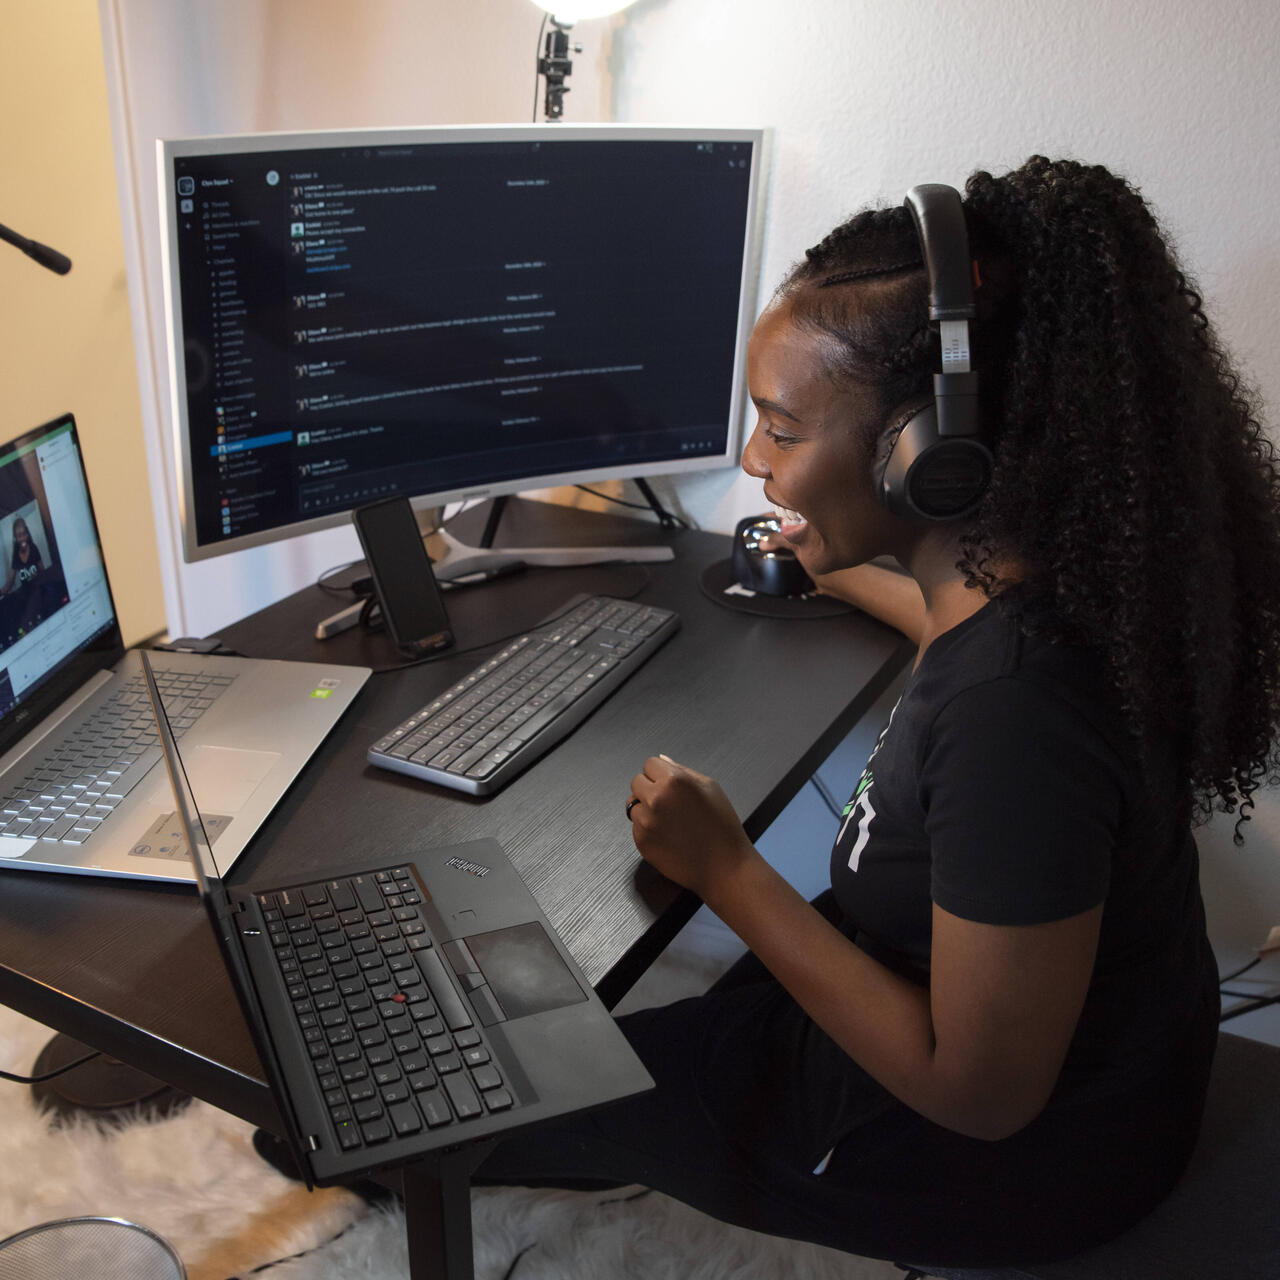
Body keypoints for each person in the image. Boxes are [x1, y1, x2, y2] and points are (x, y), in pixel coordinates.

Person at [475, 155, 1280, 1268]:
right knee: (653, 1044)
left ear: (926, 455)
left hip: (1005, 1166)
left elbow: (980, 1092)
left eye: (781, 428)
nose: (752, 457)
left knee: (483, 1107)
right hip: (1108, 1079)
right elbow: (953, 629)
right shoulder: (1042, 598)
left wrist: (727, 870)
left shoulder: (1014, 719)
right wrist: (837, 568)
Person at [0, 516, 43, 596]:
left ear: (27, 534)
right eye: (19, 535)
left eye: (24, 534)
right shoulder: (16, 555)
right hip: (27, 595)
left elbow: (43, 571)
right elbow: (10, 582)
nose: (23, 538)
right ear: (15, 538)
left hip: (39, 591)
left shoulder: (33, 548)